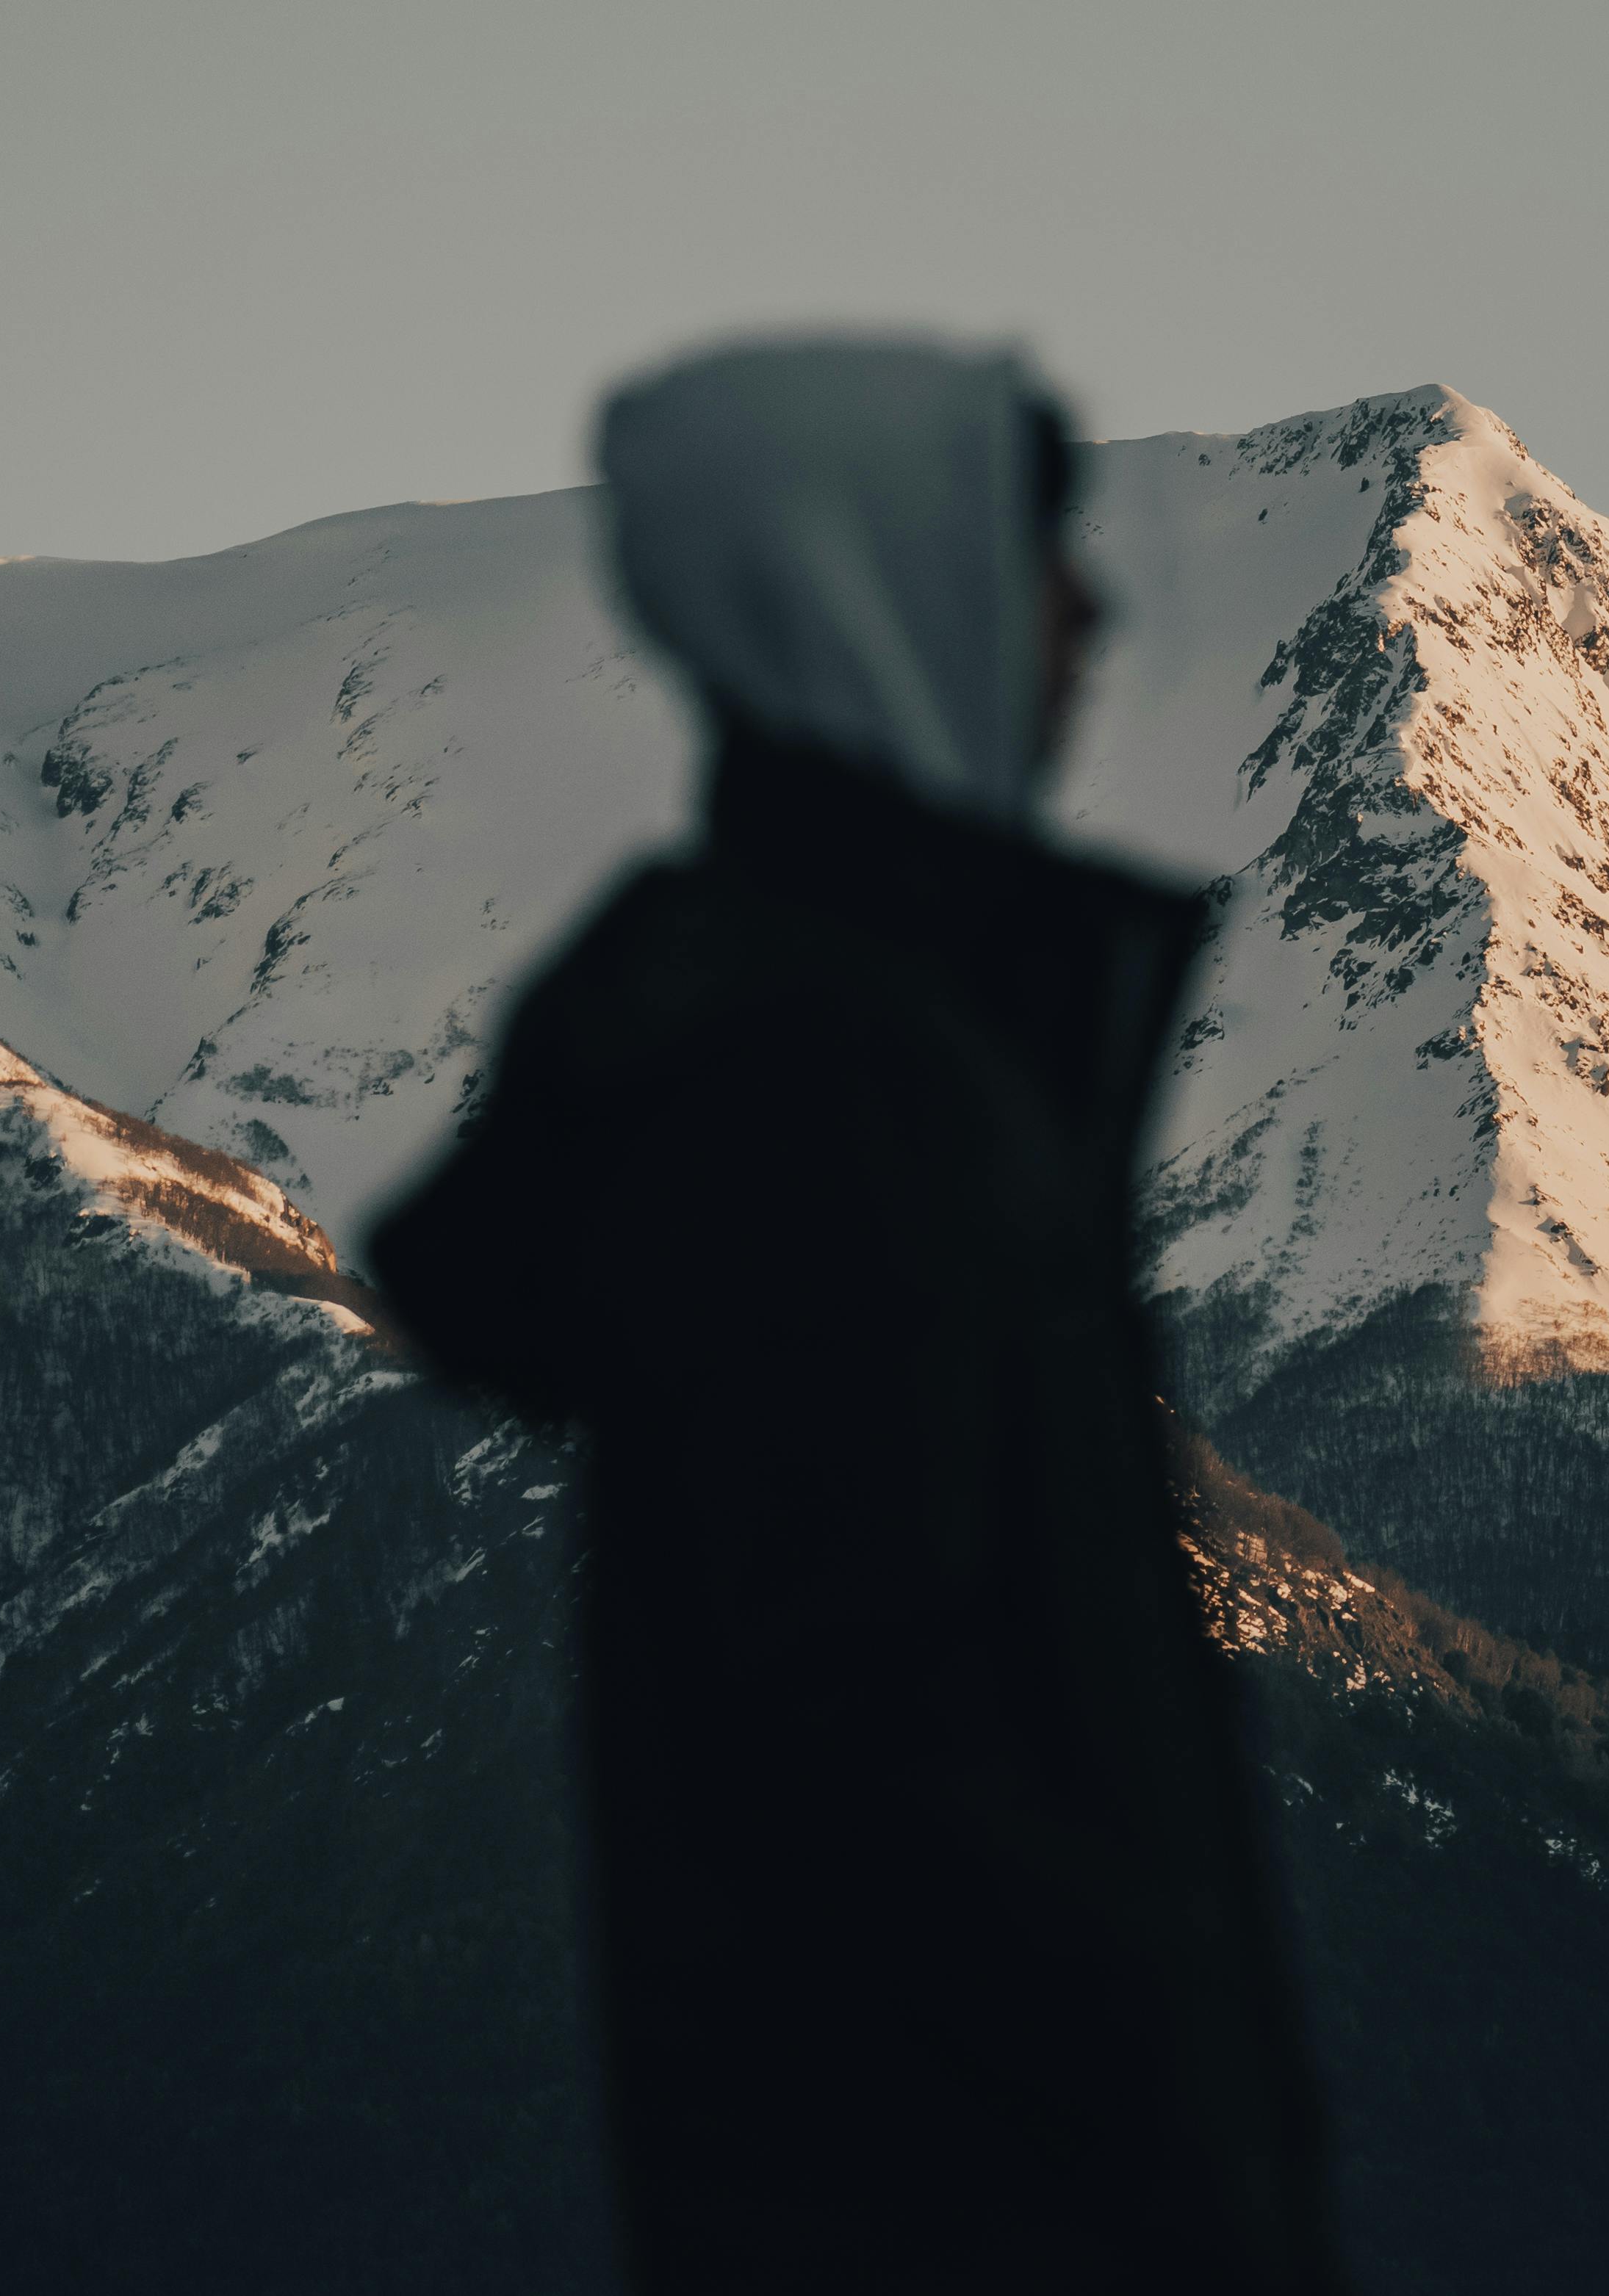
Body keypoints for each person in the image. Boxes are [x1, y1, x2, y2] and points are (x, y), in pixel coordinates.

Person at [372, 339, 1344, 2290]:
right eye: (1034, 550)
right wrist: (1163, 2144)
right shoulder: (836, 1083)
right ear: (880, 588)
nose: (1091, 610)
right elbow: (881, 1725)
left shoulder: (847, 1038)